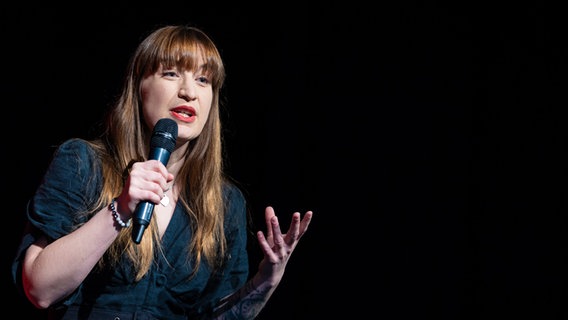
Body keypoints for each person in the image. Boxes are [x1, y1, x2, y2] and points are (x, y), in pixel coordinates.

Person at [11, 24, 313, 319]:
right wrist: (121, 208)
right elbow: (40, 289)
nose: (189, 92)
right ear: (139, 87)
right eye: (171, 73)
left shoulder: (224, 202)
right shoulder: (83, 163)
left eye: (203, 80)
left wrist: (267, 279)